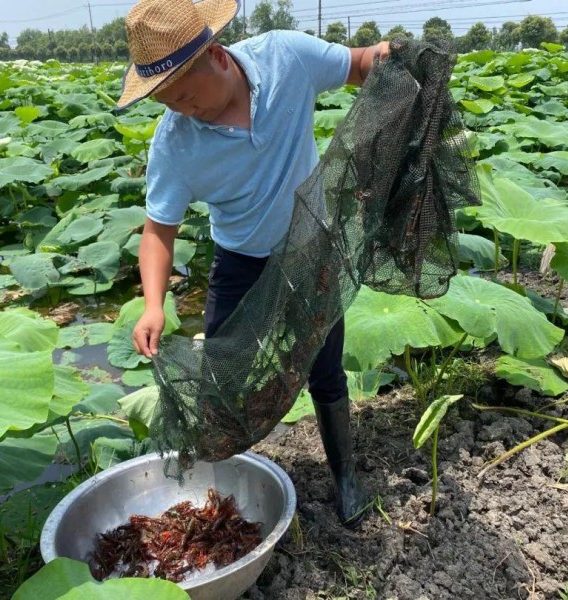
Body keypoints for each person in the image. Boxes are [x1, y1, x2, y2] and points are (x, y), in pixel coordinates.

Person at [121, 0, 389, 528]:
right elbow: (158, 231)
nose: (182, 110)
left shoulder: (286, 57)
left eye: (187, 96)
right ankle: (221, 496)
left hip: (312, 253)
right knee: (221, 384)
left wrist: (390, 57)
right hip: (240, 262)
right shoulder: (175, 143)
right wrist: (153, 304)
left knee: (326, 371)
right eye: (168, 102)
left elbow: (360, 66)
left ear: (217, 56)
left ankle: (345, 479)